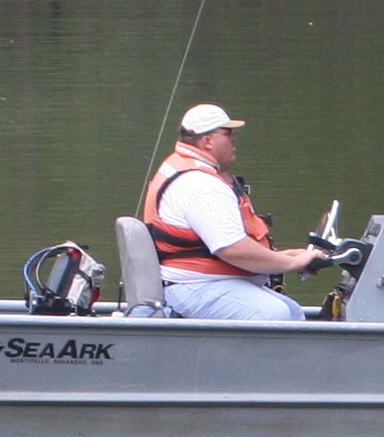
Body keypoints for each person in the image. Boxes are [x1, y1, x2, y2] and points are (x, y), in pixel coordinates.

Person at [141, 102, 333, 319]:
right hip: (193, 286)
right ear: (207, 141)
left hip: (197, 283)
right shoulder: (201, 184)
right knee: (277, 315)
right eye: (228, 133)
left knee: (294, 312)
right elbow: (232, 249)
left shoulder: (182, 167)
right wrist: (291, 263)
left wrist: (280, 257)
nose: (234, 139)